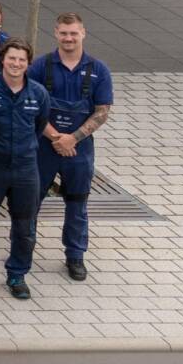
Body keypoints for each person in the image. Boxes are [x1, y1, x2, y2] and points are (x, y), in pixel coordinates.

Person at [30, 14, 114, 281]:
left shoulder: (99, 70)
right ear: (55, 33)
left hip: (79, 149)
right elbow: (30, 106)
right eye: (64, 33)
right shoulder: (41, 67)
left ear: (83, 33)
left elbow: (102, 112)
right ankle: (23, 248)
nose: (68, 38)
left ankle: (75, 256)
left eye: (73, 33)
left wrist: (72, 138)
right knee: (30, 200)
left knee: (77, 202)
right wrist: (56, 137)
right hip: (44, 146)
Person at [0, 41, 52, 299]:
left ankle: (17, 274)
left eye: (22, 60)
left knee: (25, 227)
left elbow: (40, 125)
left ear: (28, 63)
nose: (16, 64)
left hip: (26, 169)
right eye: (12, 59)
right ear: (3, 60)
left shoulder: (38, 93)